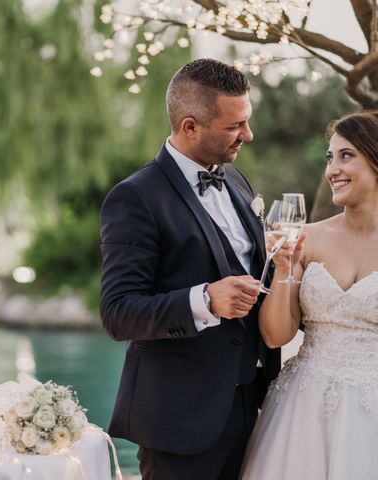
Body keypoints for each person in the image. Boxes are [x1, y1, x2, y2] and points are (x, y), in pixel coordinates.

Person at [99, 58, 281, 479]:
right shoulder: (135, 198)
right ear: (190, 126)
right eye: (234, 126)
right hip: (179, 419)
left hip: (252, 405)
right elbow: (118, 313)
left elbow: (261, 279)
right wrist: (205, 300)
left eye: (247, 121)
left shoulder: (236, 179)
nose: (248, 135)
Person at [241, 110, 378, 479]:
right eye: (330, 157)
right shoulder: (304, 237)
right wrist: (282, 269)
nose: (332, 170)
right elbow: (276, 335)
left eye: (346, 156)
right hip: (301, 410)